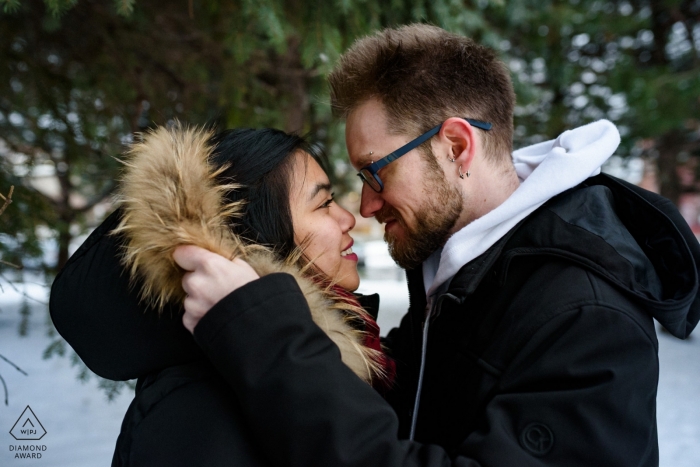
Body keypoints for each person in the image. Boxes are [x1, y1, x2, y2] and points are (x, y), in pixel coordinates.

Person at [172, 24, 700, 466]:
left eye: (375, 172)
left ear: (455, 146)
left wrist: (266, 343)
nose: (366, 206)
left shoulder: (584, 313)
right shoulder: (460, 274)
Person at [49, 125, 394, 466]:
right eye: (324, 204)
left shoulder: (306, 363)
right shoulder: (198, 409)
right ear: (259, 239)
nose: (349, 218)